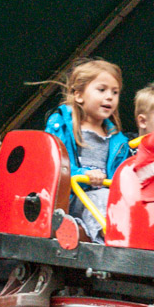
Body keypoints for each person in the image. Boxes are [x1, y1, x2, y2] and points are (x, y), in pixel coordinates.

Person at [44, 59, 131, 242]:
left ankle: (84, 230)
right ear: (78, 95)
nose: (109, 97)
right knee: (101, 196)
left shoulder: (118, 139)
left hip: (105, 200)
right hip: (69, 198)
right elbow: (52, 166)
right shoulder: (62, 126)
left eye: (115, 92)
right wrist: (85, 174)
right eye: (102, 90)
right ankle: (110, 241)